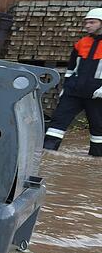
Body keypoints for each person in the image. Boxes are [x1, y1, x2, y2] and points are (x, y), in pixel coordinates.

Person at [43, 8, 102, 157]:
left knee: (98, 129)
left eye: (92, 22)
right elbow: (71, 68)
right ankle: (45, 156)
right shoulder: (81, 43)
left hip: (97, 95)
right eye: (86, 22)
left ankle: (95, 161)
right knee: (57, 123)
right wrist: (66, 87)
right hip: (73, 91)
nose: (87, 25)